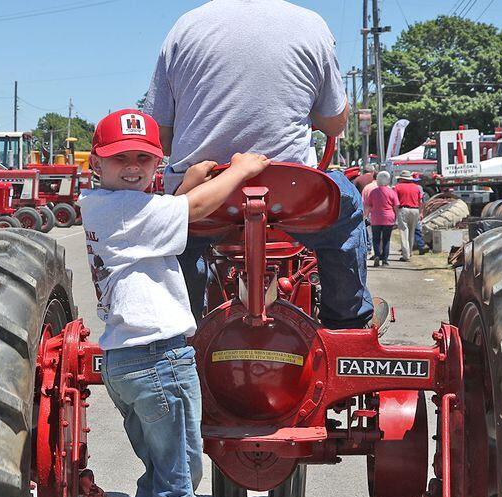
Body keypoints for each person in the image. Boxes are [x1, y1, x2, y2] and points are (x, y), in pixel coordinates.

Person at [78, 109, 271, 497]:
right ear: (97, 163)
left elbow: (170, 204)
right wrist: (242, 171)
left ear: (157, 163)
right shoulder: (127, 211)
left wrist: (182, 183)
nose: (134, 166)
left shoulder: (105, 205)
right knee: (180, 475)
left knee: (158, 472)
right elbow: (199, 207)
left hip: (127, 360)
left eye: (144, 157)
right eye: (121, 158)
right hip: (160, 359)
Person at [145, 0, 373, 330]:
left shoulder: (184, 27)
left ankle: (181, 327)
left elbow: (161, 137)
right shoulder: (311, 25)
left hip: (205, 193)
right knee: (348, 210)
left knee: (182, 236)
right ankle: (347, 324)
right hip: (290, 192)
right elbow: (335, 125)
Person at [366, 171, 398, 266]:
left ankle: (376, 255)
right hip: (388, 218)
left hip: (376, 218)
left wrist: (366, 216)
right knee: (386, 239)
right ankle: (385, 259)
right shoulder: (391, 192)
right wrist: (396, 218)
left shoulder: (373, 192)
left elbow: (368, 205)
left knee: (376, 239)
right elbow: (396, 206)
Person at [394, 170, 422, 261]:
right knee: (412, 232)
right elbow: (420, 201)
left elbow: (395, 202)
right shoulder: (417, 187)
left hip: (403, 209)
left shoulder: (397, 187)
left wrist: (395, 212)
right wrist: (421, 212)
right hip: (415, 210)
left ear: (402, 179)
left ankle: (406, 254)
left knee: (404, 231)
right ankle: (410, 252)